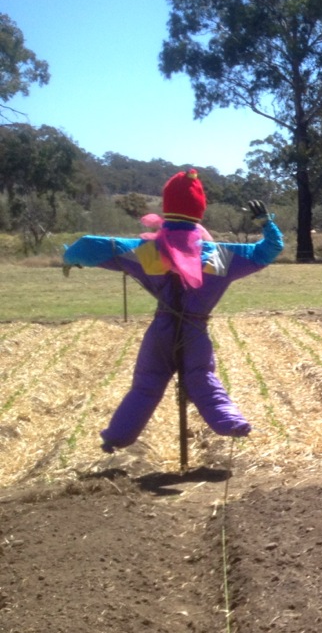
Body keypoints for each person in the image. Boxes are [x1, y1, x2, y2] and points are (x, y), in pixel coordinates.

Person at [63, 169, 284, 452]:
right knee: (202, 377)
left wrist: (71, 256)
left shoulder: (145, 251)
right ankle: (230, 423)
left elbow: (95, 245)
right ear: (199, 210)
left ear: (167, 207)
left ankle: (116, 437)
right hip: (195, 331)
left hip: (161, 330)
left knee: (146, 385)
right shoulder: (223, 256)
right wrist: (266, 222)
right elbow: (268, 249)